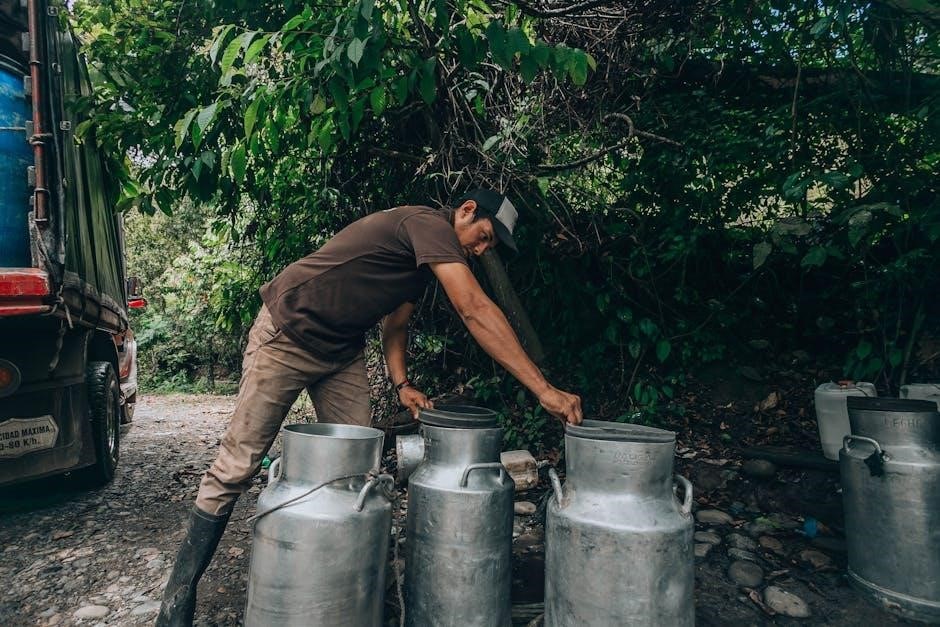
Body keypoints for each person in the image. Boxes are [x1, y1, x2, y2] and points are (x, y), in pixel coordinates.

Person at [156, 189, 583, 626]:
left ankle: (337, 591)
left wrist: (402, 384)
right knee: (237, 466)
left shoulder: (423, 262)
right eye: (485, 236)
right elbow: (472, 308)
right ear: (467, 211)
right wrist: (543, 389)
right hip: (287, 334)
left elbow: (395, 325)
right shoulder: (428, 225)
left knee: (357, 473)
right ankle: (177, 601)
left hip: (339, 352)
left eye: (489, 246)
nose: (481, 249)